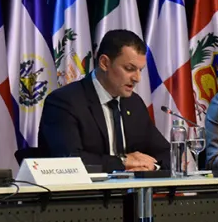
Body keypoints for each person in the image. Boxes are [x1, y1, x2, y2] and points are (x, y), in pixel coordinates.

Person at [37, 29, 169, 172]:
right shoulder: (65, 101)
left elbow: (167, 153)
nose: (137, 78)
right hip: (86, 193)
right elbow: (68, 160)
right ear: (104, 63)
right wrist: (123, 162)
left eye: (140, 70)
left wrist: (152, 166)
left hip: (131, 194)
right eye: (129, 68)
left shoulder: (134, 103)